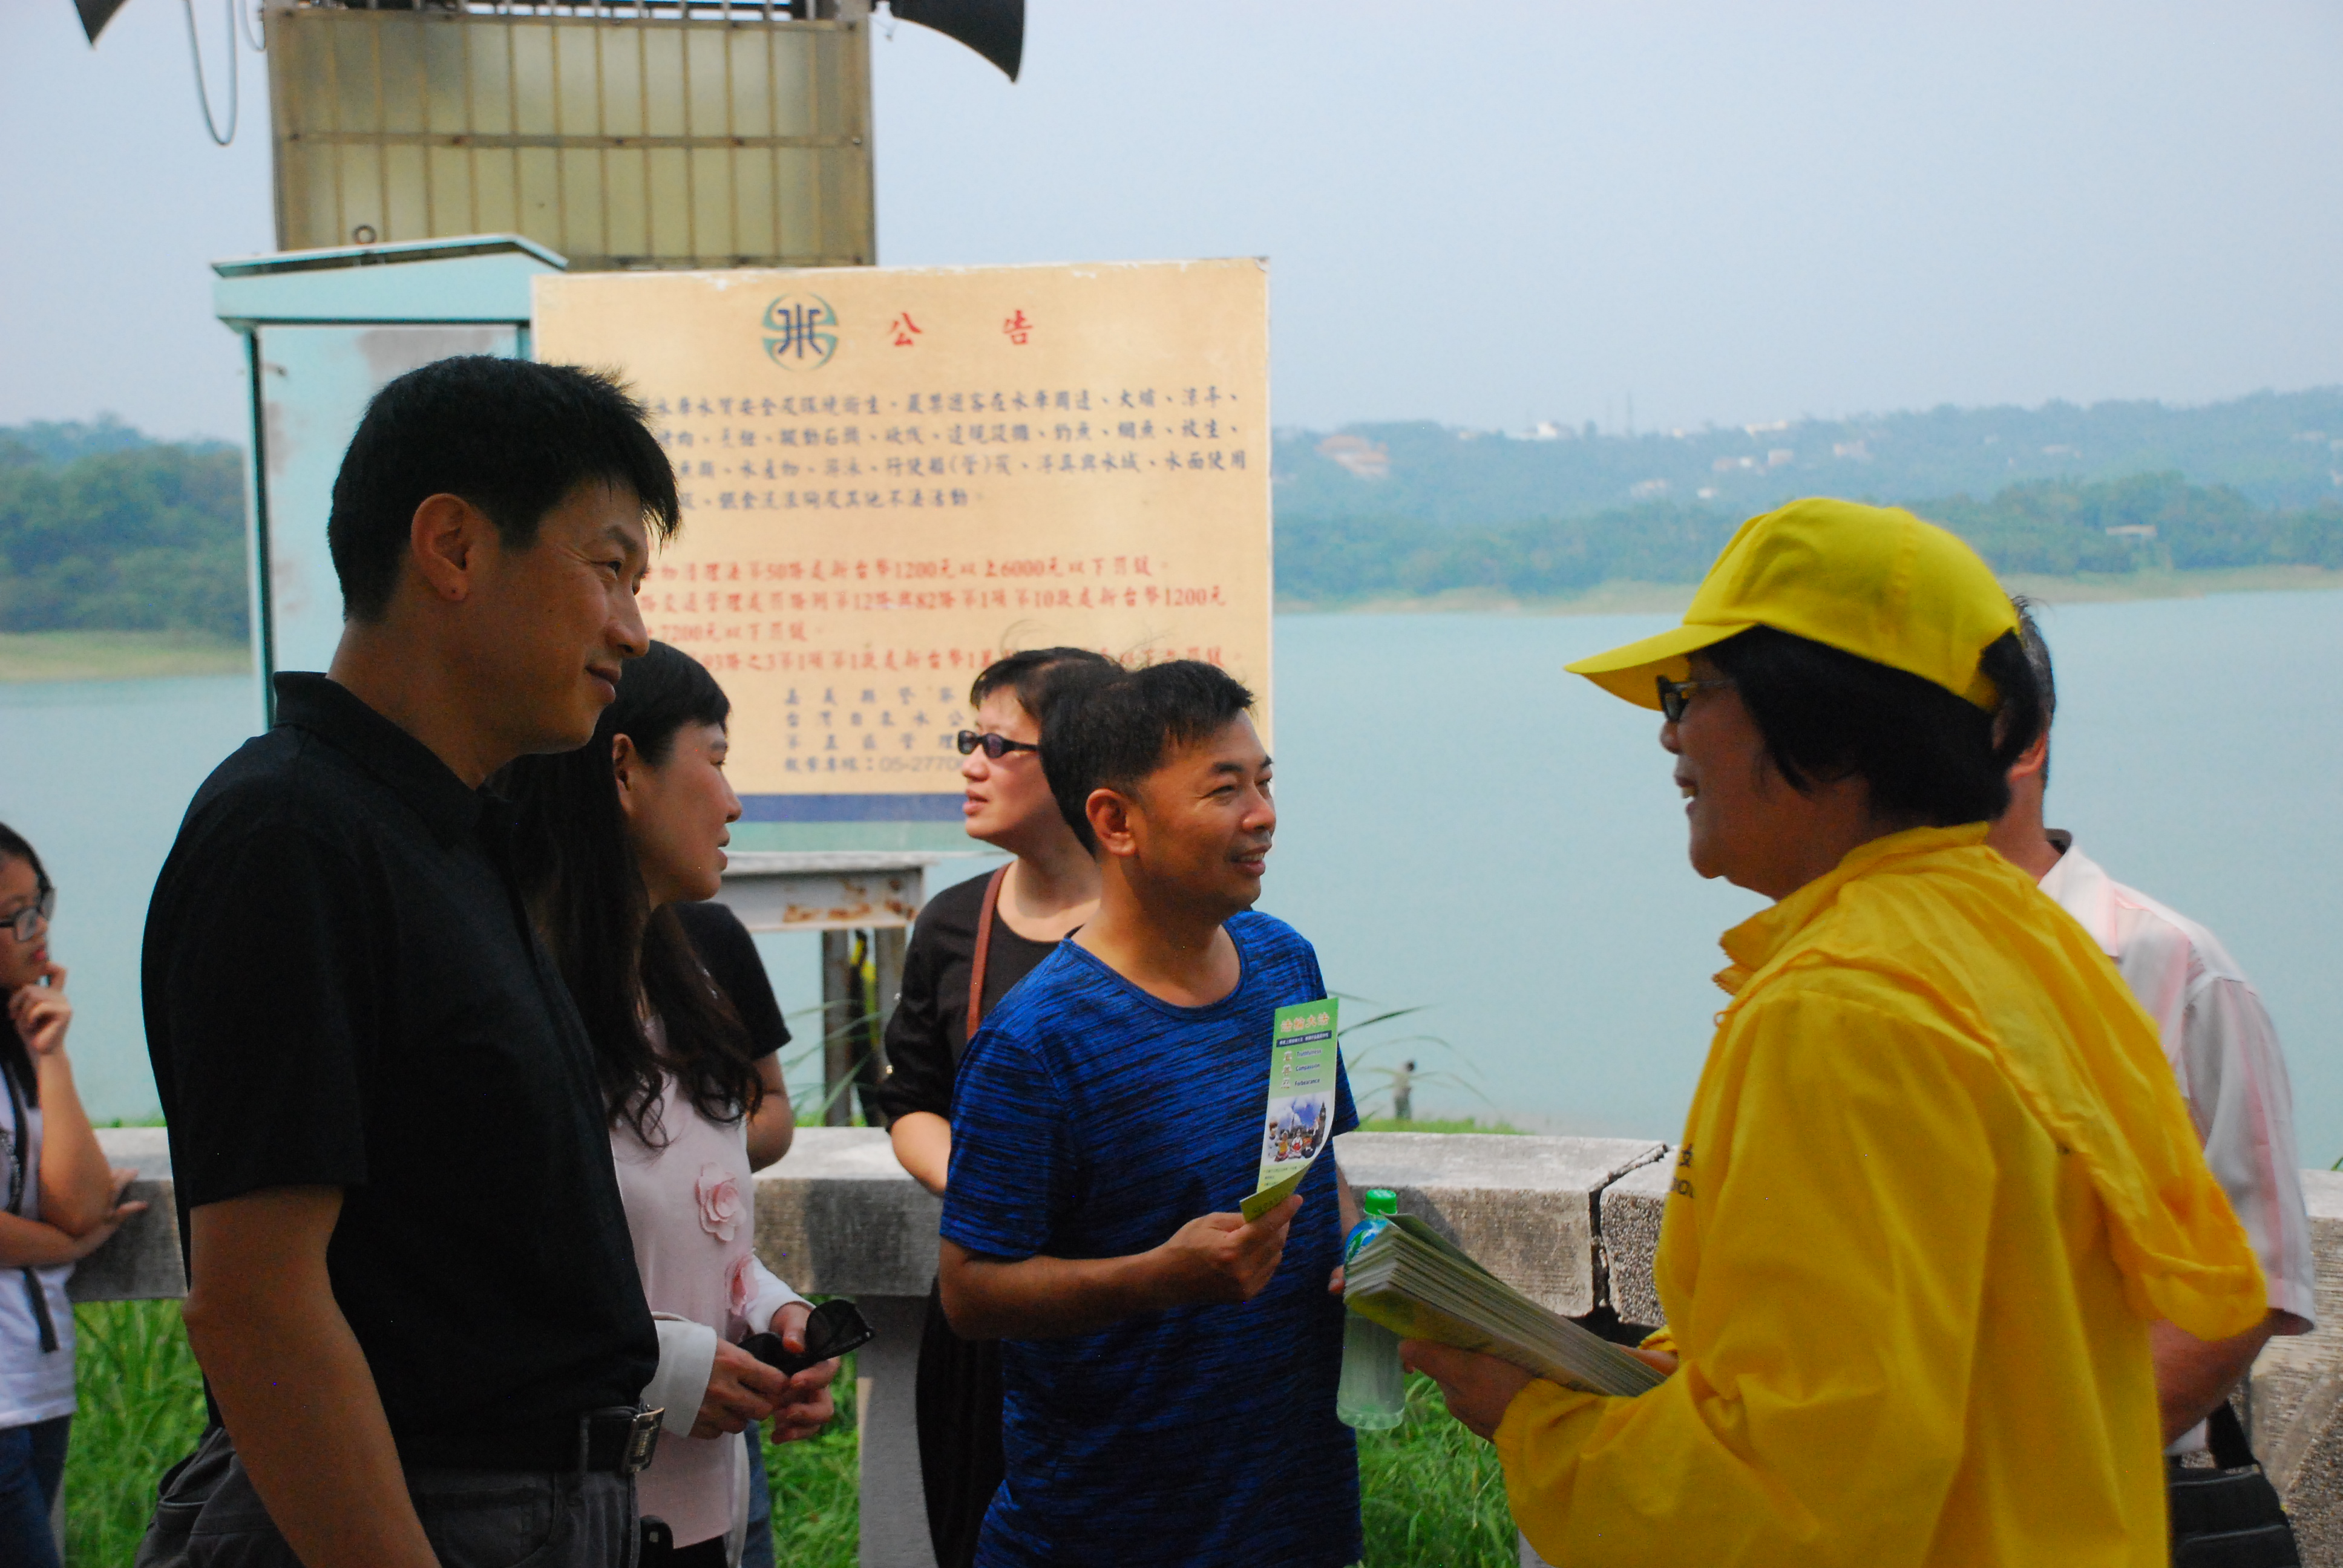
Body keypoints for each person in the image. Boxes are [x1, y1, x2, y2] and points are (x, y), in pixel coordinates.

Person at [1408, 498, 2266, 1566]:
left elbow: (1796, 1498)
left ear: (1829, 724)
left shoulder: (1841, 1005)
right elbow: (1935, 1367)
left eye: (1689, 692)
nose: (1669, 733)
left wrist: (1531, 1416)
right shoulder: (2019, 945)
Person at [139, 356, 677, 1568]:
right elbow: (259, 1300)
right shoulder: (291, 835)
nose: (633, 631)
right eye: (608, 570)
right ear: (452, 547)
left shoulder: (448, 832)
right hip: (427, 1516)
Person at [937, 659, 1365, 1568]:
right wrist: (1161, 1277)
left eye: (1264, 782)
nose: (1262, 816)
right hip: (1105, 1535)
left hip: (1298, 1520)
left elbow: (1324, 1175)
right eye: (1224, 790)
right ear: (1115, 821)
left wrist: (1386, 1272)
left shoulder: (1287, 966)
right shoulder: (1038, 1043)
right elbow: (971, 1290)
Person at [502, 639, 837, 1567]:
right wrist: (667, 1367)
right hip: (573, 1523)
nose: (732, 803)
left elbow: (695, 1234)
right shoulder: (515, 1008)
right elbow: (481, 1280)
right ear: (624, 769)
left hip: (709, 1515)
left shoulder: (677, 981)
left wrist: (773, 1317)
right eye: (717, 760)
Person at [1985, 604, 2314, 1454]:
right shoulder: (1843, 972)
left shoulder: (2177, 973)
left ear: (2026, 741)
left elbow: (2254, 1280)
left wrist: (2052, 1469)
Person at [871, 645, 1115, 1568]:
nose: (970, 763)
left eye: (997, 744)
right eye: (968, 738)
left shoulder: (1161, 924)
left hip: (1123, 1318)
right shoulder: (952, 924)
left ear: (1081, 766)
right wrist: (987, 1184)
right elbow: (911, 1102)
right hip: (986, 1315)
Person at [0, 826, 145, 1568]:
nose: (38, 930)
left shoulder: (17, 1048)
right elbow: (73, 1230)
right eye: (16, 915)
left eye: (40, 905)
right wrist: (68, 1249)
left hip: (34, 1390)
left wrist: (50, 1058)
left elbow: (80, 1204)